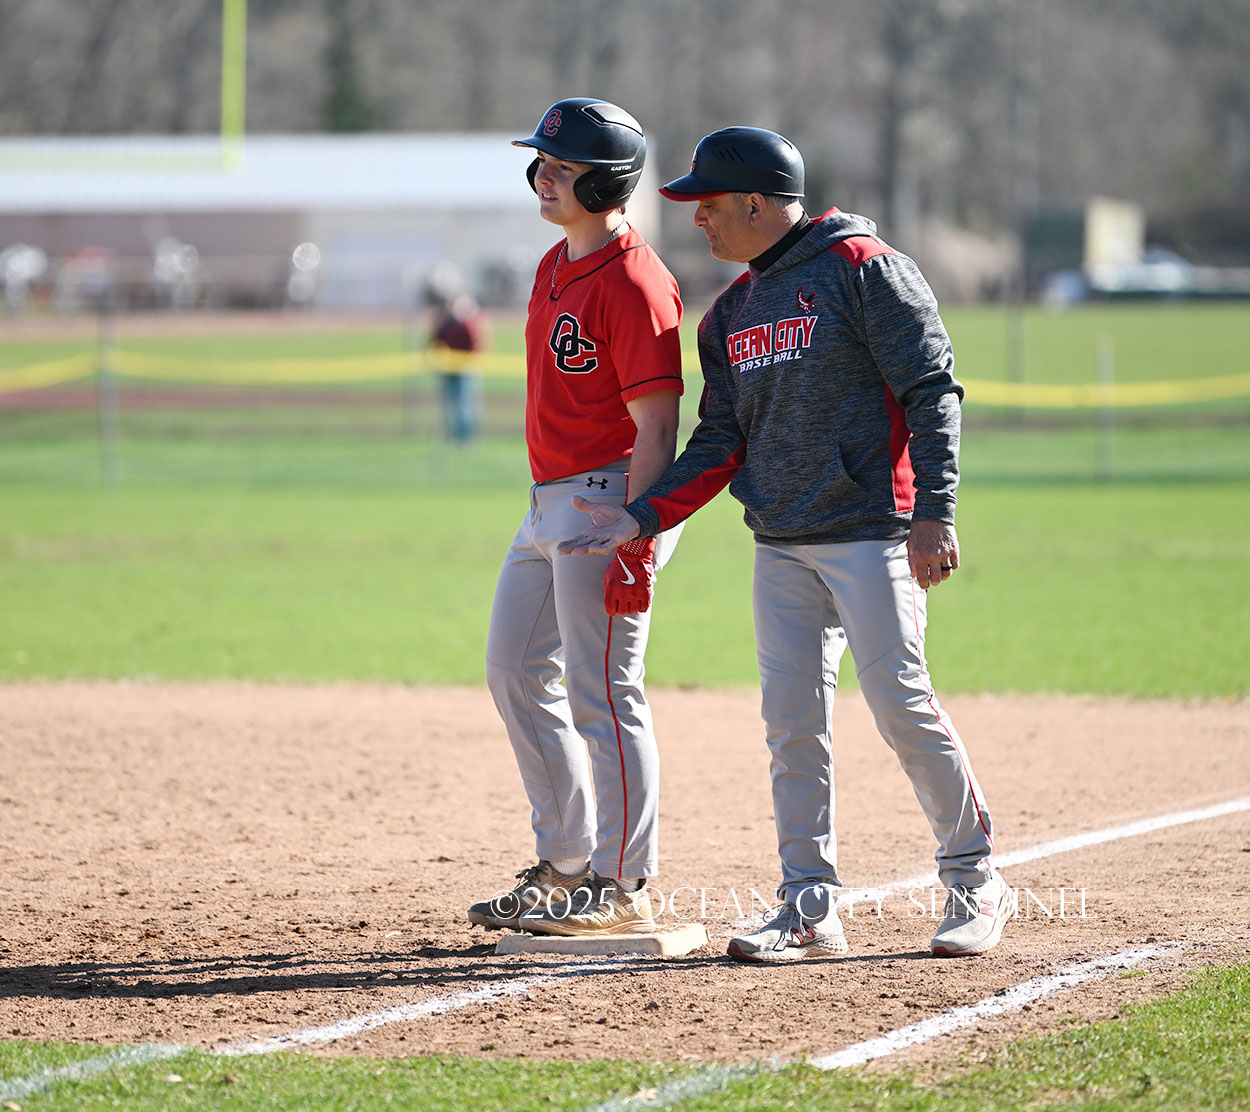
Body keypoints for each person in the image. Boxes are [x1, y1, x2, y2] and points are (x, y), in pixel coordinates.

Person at [559, 127, 1014, 961]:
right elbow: (718, 440)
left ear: (759, 204)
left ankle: (975, 879)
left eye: (709, 204)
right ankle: (808, 907)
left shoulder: (865, 268)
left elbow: (932, 390)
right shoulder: (730, 313)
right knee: (791, 725)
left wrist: (935, 512)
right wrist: (643, 515)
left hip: (872, 532)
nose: (698, 219)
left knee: (901, 705)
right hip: (779, 542)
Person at [467, 98, 684, 937]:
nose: (544, 177)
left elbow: (658, 426)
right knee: (514, 669)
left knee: (604, 691)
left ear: (608, 182)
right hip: (548, 501)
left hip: (609, 500)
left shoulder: (635, 281)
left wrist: (639, 529)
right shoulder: (555, 263)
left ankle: (622, 883)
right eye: (543, 163)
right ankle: (564, 863)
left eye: (563, 167)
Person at [429, 291, 487, 444]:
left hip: (465, 370)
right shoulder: (446, 323)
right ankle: (453, 435)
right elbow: (436, 341)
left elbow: (475, 345)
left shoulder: (468, 324)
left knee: (465, 405)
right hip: (448, 368)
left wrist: (469, 362)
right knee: (451, 404)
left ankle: (465, 437)